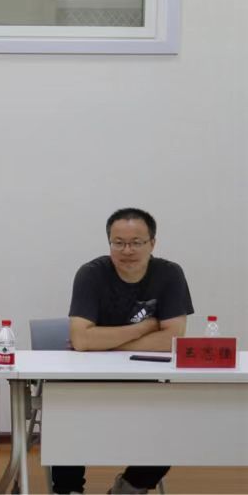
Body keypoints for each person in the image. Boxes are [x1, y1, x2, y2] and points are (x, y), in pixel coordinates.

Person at [52, 207, 193, 494]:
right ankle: (68, 489)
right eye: (118, 243)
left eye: (136, 242)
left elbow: (173, 339)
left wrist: (102, 341)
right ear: (109, 243)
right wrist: (144, 328)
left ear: (152, 243)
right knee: (65, 415)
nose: (127, 250)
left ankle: (128, 488)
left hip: (146, 378)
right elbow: (81, 339)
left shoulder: (169, 274)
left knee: (171, 427)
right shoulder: (91, 273)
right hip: (86, 379)